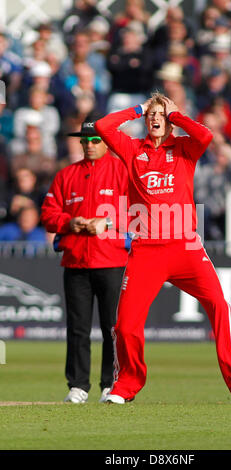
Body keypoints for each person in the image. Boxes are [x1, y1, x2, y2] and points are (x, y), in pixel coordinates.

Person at [94, 92, 231, 405]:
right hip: (146, 250)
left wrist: (177, 116)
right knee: (126, 324)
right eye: (150, 116)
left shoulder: (184, 147)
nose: (155, 119)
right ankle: (124, 386)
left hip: (185, 246)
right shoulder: (133, 150)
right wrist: (138, 108)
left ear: (169, 120)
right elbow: (103, 126)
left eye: (160, 115)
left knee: (220, 307)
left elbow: (206, 134)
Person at [40, 115, 130, 404]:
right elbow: (48, 214)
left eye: (95, 140)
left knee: (111, 328)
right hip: (76, 261)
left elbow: (137, 212)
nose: (89, 145)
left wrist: (107, 221)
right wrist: (70, 223)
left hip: (112, 259)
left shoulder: (123, 171)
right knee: (77, 328)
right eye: (85, 141)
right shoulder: (66, 175)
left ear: (106, 142)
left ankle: (110, 383)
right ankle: (78, 385)